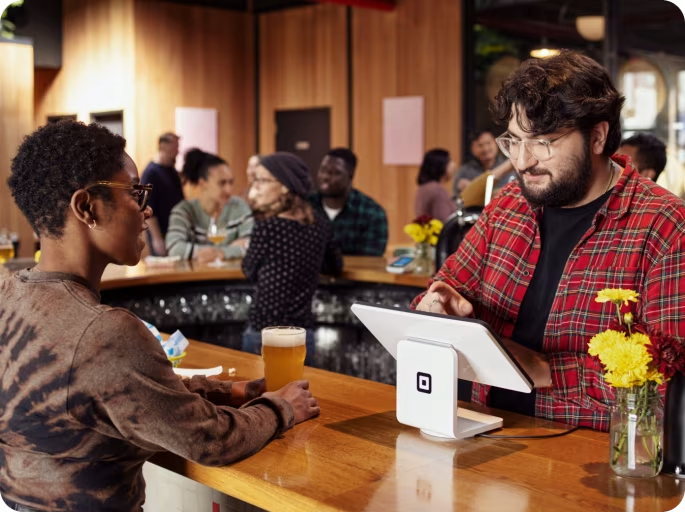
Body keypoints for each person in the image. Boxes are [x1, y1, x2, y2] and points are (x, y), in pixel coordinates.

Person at [1, 120, 319, 512]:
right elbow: (210, 440)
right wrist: (282, 407)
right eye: (136, 192)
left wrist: (231, 391)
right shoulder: (104, 331)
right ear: (86, 207)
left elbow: (117, 392)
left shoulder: (9, 295)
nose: (147, 208)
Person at [413, 51, 685, 432]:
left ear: (598, 136)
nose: (523, 161)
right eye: (514, 141)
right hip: (480, 434)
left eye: (542, 142)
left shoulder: (664, 226)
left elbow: (669, 381)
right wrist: (437, 303)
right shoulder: (508, 207)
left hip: (589, 463)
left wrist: (546, 370)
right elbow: (444, 289)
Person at [242, 152, 343, 364]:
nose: (256, 186)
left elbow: (249, 270)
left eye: (262, 180)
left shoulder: (267, 227)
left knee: (259, 396)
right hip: (302, 335)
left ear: (285, 186)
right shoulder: (320, 224)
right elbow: (335, 265)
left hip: (265, 334)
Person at [166, 149, 253, 263]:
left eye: (231, 182)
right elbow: (175, 248)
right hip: (195, 278)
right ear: (203, 183)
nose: (229, 189)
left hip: (232, 278)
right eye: (222, 183)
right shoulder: (184, 211)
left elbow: (251, 245)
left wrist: (219, 253)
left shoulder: (239, 206)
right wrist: (227, 251)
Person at [309, 148, 388, 256]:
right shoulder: (306, 205)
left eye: (335, 173)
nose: (325, 177)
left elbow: (370, 260)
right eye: (323, 170)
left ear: (350, 176)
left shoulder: (372, 213)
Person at [140, 132, 184, 256]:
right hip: (162, 234)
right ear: (163, 146)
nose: (177, 151)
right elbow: (147, 208)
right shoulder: (151, 173)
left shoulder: (172, 171)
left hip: (176, 232)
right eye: (175, 147)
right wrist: (157, 238)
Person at [452, 129, 516, 197]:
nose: (485, 148)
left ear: (496, 143)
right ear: (472, 149)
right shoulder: (465, 171)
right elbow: (456, 197)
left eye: (488, 143)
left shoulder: (511, 168)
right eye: (480, 145)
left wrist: (473, 190)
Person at [414, 148, 458, 221]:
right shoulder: (437, 190)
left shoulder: (424, 187)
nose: (453, 165)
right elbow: (444, 221)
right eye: (449, 161)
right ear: (441, 165)